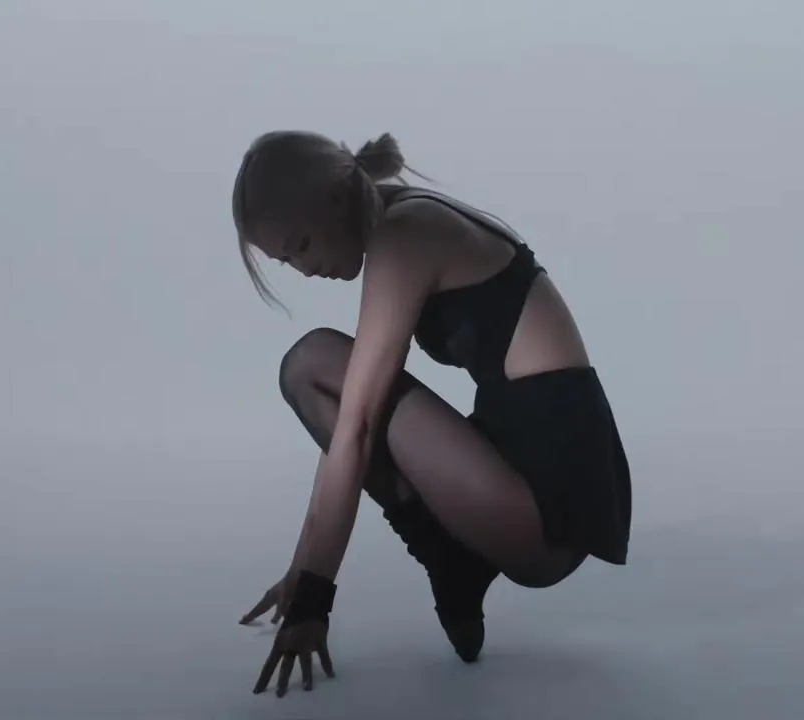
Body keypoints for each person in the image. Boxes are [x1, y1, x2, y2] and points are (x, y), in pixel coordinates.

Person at [231, 130, 631, 698]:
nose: (303, 269)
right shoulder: (401, 216)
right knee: (324, 375)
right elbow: (354, 424)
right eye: (285, 260)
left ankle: (450, 558)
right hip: (525, 475)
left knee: (312, 364)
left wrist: (313, 600)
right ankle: (454, 562)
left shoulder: (406, 235)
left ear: (336, 200)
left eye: (300, 245)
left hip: (548, 505)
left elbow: (358, 427)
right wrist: (303, 567)